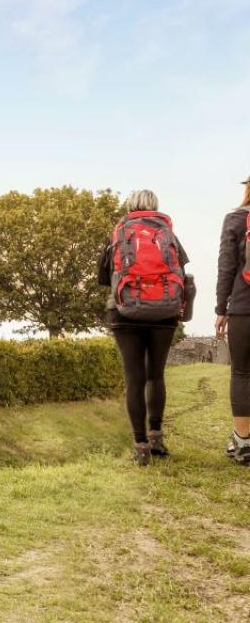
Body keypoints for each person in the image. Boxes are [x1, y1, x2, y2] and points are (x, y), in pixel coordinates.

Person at [98, 190, 191, 466]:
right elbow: (181, 273)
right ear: (155, 207)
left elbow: (103, 277)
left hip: (125, 312)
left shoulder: (118, 233)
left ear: (130, 206)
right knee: (156, 376)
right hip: (164, 312)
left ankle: (140, 447)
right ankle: (157, 438)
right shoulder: (168, 234)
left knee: (134, 378)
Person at [215, 178, 250, 466]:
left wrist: (221, 309)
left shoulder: (236, 220)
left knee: (242, 373)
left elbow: (226, 268)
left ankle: (243, 442)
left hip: (244, 309)